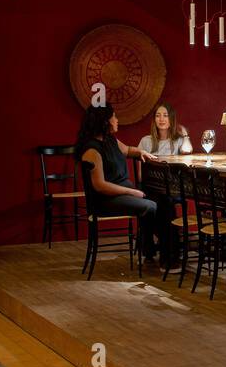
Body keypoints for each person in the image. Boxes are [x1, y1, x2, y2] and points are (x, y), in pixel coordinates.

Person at [75, 105, 158, 264]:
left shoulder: (110, 139)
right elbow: (100, 185)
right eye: (114, 117)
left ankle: (157, 247)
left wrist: (140, 152)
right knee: (150, 206)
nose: (117, 120)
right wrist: (131, 192)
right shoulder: (92, 150)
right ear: (105, 121)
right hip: (105, 200)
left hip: (122, 192)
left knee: (160, 200)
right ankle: (151, 249)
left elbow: (127, 150)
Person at [136, 102, 190, 267]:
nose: (161, 119)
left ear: (171, 118)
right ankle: (169, 254)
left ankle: (161, 251)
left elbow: (188, 151)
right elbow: (140, 174)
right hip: (150, 187)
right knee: (160, 204)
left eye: (165, 115)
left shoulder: (178, 141)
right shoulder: (146, 141)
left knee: (164, 203)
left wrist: (186, 134)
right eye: (158, 115)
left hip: (171, 189)